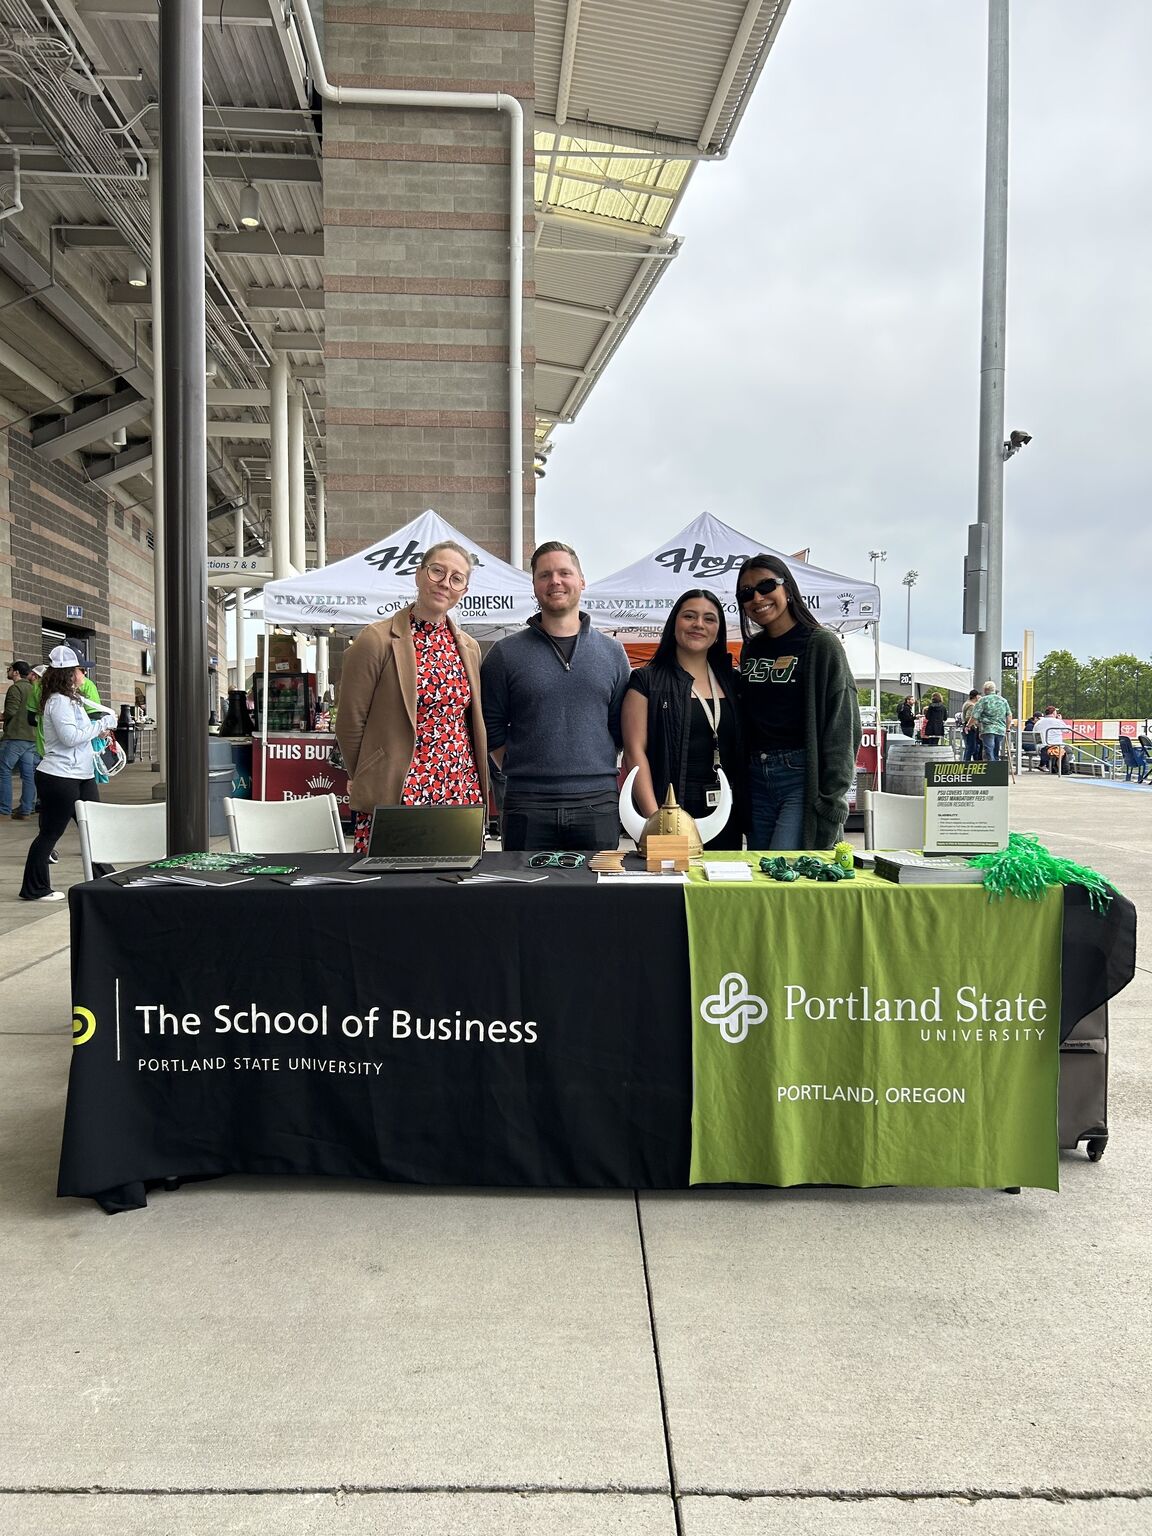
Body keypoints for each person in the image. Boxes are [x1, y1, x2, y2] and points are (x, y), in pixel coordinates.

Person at [335, 540, 488, 855]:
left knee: (453, 888)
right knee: (393, 891)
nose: (445, 583)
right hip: (399, 788)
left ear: (464, 590)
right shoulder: (376, 640)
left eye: (456, 578)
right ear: (419, 575)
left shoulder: (469, 647)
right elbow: (350, 723)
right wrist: (370, 774)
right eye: (437, 571)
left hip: (458, 784)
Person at [481, 540, 631, 852]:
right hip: (526, 804)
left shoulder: (612, 653)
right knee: (525, 899)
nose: (555, 581)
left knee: (596, 899)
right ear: (534, 585)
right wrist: (522, 764)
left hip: (597, 802)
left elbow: (621, 725)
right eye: (545, 575)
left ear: (582, 580)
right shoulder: (505, 654)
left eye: (565, 573)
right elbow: (490, 725)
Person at [735, 553, 860, 849]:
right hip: (755, 777)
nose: (757, 597)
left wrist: (833, 799)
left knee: (785, 869)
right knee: (761, 872)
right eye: (746, 592)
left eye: (766, 586)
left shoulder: (821, 644)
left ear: (787, 589)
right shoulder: (752, 650)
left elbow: (843, 724)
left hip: (801, 777)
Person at [622, 590, 744, 850]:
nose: (699, 624)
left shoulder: (732, 681)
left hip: (723, 811)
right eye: (689, 616)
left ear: (718, 630)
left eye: (709, 619)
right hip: (669, 809)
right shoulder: (646, 680)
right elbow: (634, 753)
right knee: (671, 889)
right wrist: (656, 820)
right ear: (674, 623)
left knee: (720, 888)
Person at [19, 647, 117, 902]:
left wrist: (98, 731)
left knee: (95, 829)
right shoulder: (58, 702)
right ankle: (35, 889)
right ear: (68, 673)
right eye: (79, 668)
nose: (83, 672)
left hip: (80, 774)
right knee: (51, 833)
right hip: (59, 777)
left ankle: (106, 880)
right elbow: (70, 737)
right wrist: (102, 725)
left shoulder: (71, 699)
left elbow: (80, 733)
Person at [1, 661, 39, 820]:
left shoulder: (15, 688)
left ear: (16, 672)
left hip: (15, 736)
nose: (7, 671)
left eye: (9, 669)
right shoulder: (32, 688)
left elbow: (10, 711)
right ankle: (25, 809)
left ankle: (3, 810)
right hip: (31, 737)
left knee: (3, 770)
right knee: (28, 774)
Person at [972, 679, 1010, 763]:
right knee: (996, 750)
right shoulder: (1003, 700)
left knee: (988, 750)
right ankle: (995, 766)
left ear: (985, 690)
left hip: (988, 729)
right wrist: (1008, 728)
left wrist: (968, 725)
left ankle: (991, 768)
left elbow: (975, 715)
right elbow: (1009, 715)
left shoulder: (983, 700)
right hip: (1000, 729)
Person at [1035, 704, 1071, 775]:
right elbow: (1067, 730)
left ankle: (1053, 767)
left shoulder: (1039, 722)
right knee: (1069, 750)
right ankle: (1064, 769)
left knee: (1060, 750)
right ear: (1054, 713)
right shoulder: (1057, 722)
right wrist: (1060, 720)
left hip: (1041, 747)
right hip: (1053, 746)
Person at [959, 688, 982, 763]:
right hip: (970, 727)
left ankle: (968, 762)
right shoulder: (971, 705)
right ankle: (967, 762)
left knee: (971, 747)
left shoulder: (966, 703)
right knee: (971, 747)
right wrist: (975, 722)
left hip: (966, 726)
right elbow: (968, 717)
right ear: (976, 696)